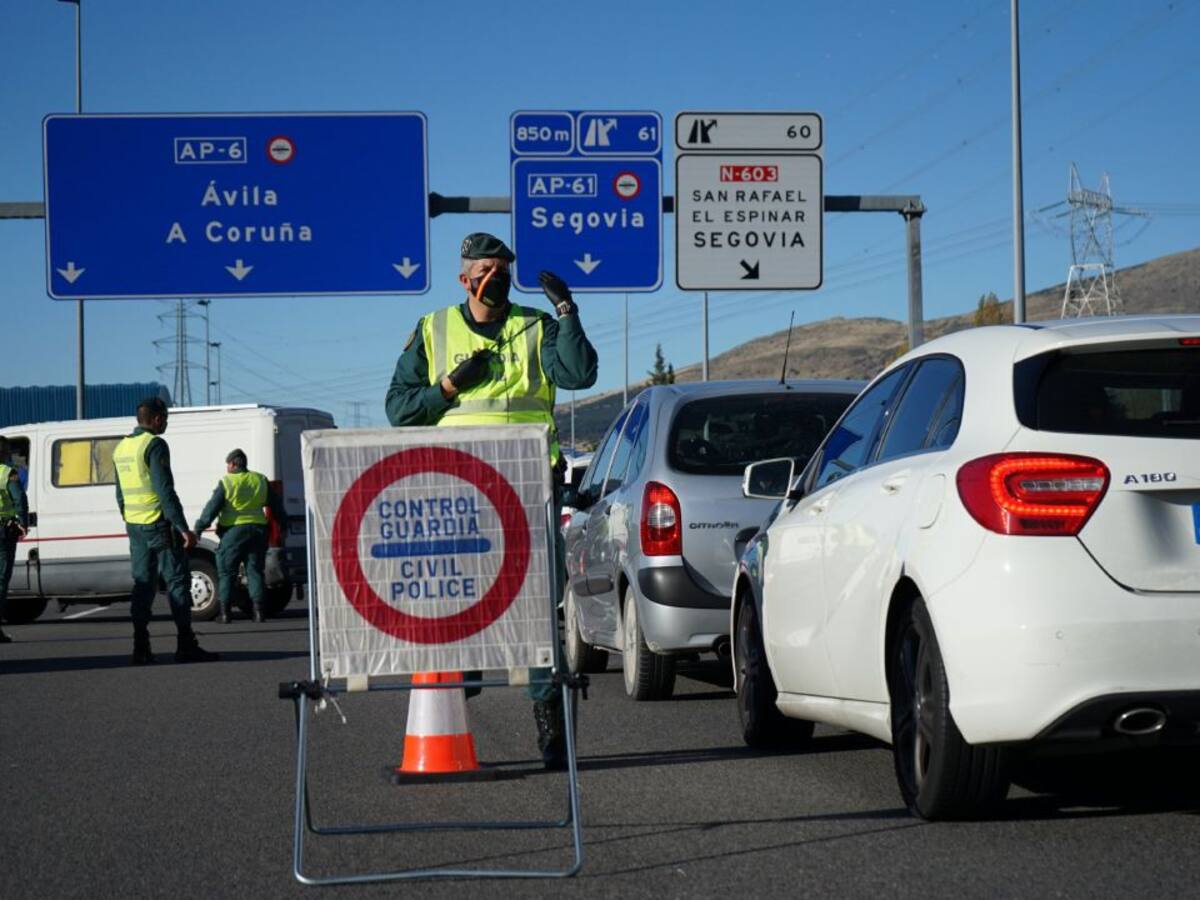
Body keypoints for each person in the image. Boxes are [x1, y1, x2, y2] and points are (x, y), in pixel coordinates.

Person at [384, 232, 598, 769]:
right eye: (484, 268)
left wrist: (566, 310)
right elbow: (399, 409)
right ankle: (462, 689)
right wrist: (450, 389)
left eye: (502, 267)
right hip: (457, 494)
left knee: (535, 614)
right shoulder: (434, 329)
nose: (495, 276)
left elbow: (578, 374)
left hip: (528, 491)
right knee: (459, 607)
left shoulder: (537, 324)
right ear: (464, 279)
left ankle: (551, 733)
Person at [113, 398, 218, 665]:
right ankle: (185, 645)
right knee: (177, 582)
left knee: (143, 584)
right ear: (157, 419)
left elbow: (120, 493)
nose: (167, 423)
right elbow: (165, 490)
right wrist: (183, 528)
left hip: (135, 525)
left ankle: (141, 646)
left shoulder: (122, 448)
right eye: (166, 418)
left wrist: (129, 517)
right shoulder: (155, 444)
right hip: (158, 524)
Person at [193, 448, 286, 624]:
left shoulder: (227, 482)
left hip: (233, 533)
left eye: (228, 464)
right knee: (254, 571)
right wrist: (284, 524)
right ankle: (258, 613)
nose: (227, 467)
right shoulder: (259, 480)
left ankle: (225, 614)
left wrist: (199, 528)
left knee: (227, 572)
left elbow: (211, 508)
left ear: (234, 464)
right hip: (258, 531)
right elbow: (276, 505)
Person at [0, 436, 29, 644]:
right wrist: (23, 522)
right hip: (3, 532)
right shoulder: (6, 473)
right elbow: (19, 499)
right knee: (1, 579)